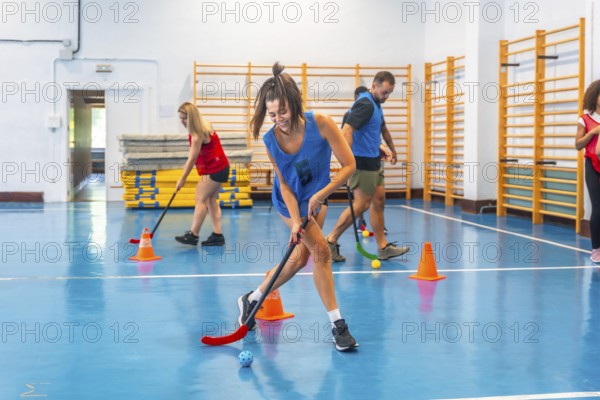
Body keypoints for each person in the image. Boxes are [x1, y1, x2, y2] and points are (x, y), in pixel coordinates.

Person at [237, 62, 358, 351]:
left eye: (282, 111)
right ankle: (337, 325)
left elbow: (349, 166)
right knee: (322, 252)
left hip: (317, 195)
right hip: (289, 200)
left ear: (295, 103)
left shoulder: (322, 123)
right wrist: (295, 220)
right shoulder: (270, 140)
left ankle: (252, 298)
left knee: (301, 259)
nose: (278, 118)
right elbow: (285, 185)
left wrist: (321, 194)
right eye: (271, 114)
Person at [325, 71, 409, 262]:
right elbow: (346, 130)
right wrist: (345, 164)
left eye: (389, 93)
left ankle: (383, 247)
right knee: (361, 205)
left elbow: (374, 132)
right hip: (361, 163)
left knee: (379, 201)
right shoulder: (365, 104)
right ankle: (330, 241)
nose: (386, 96)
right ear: (374, 86)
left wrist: (385, 149)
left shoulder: (376, 104)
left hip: (374, 161)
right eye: (384, 92)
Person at [174, 102, 230, 247]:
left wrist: (182, 179)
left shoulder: (197, 134)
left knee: (200, 199)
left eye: (184, 118)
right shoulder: (204, 124)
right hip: (221, 167)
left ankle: (193, 235)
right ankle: (218, 235)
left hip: (214, 169)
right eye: (180, 118)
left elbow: (192, 158)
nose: (182, 121)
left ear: (191, 117)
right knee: (211, 200)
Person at [576, 80, 600, 263]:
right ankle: (596, 249)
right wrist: (593, 133)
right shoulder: (585, 119)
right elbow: (578, 145)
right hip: (592, 166)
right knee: (598, 208)